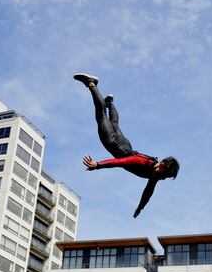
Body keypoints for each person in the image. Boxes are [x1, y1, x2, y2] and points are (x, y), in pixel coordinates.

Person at [74, 73, 180, 218]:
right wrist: (97, 165)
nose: (163, 178)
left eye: (165, 177)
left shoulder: (155, 174)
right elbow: (119, 162)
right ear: (161, 165)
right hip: (114, 144)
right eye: (164, 174)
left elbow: (148, 192)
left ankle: (110, 102)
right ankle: (92, 84)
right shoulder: (144, 162)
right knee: (101, 116)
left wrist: (140, 208)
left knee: (114, 123)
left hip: (126, 145)